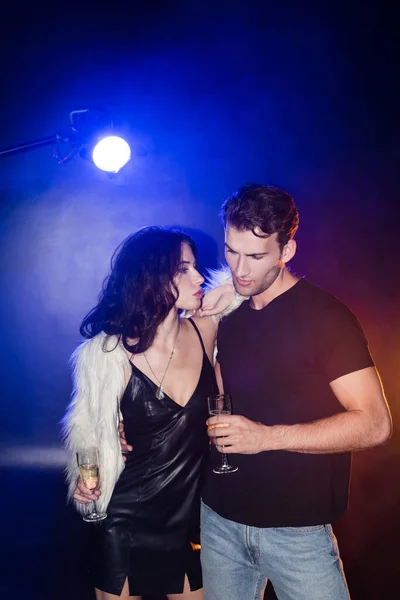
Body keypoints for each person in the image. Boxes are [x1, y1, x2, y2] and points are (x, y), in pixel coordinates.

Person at [199, 183, 392, 600]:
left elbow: (375, 424)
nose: (240, 269)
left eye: (255, 256)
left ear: (286, 251)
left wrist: (267, 437)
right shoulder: (228, 314)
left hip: (296, 532)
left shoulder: (327, 318)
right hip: (219, 522)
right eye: (231, 251)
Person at [61, 226, 228, 600]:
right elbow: (88, 436)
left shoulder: (206, 330)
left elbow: (245, 289)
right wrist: (85, 476)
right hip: (125, 520)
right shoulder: (107, 355)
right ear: (151, 276)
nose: (199, 276)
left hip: (189, 521)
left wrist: (223, 292)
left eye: (196, 267)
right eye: (183, 269)